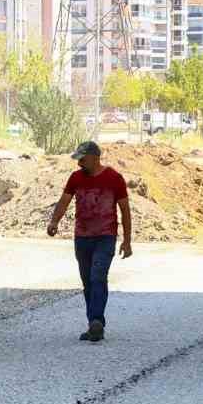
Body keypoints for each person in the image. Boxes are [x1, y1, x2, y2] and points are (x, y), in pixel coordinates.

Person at [46, 141, 132, 342]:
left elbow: (125, 210)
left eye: (82, 159)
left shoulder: (114, 179)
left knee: (97, 277)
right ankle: (94, 323)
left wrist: (127, 241)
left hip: (105, 237)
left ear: (95, 157)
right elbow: (64, 201)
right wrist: (54, 221)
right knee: (87, 282)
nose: (79, 164)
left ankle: (96, 322)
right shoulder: (76, 178)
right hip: (82, 238)